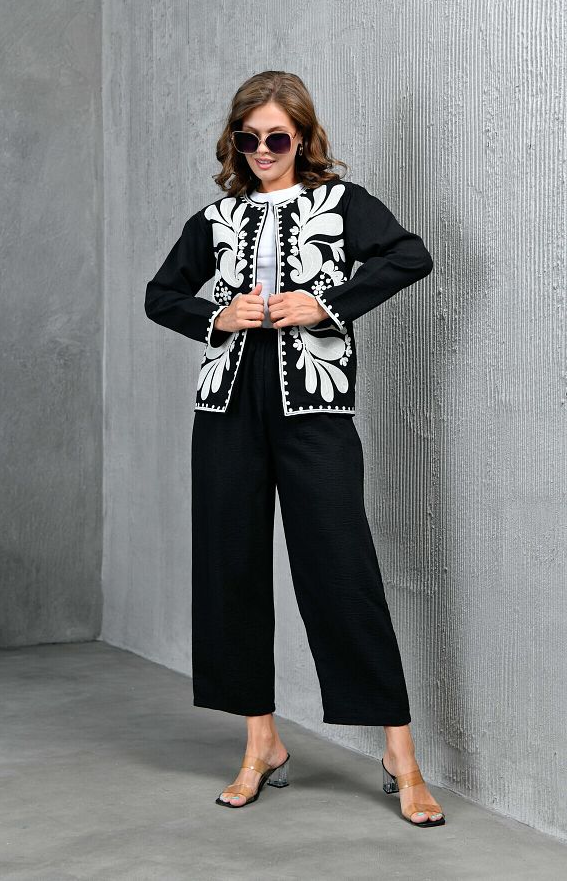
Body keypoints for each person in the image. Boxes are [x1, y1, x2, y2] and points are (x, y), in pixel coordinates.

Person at [144, 71, 445, 827]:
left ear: (303, 138)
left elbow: (409, 255)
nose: (262, 151)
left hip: (315, 409)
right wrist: (217, 316)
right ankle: (261, 744)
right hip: (225, 414)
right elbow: (161, 294)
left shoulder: (342, 205)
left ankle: (400, 755)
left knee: (342, 569)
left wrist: (327, 303)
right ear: (234, 142)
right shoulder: (215, 219)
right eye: (248, 138)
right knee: (232, 570)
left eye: (277, 137)